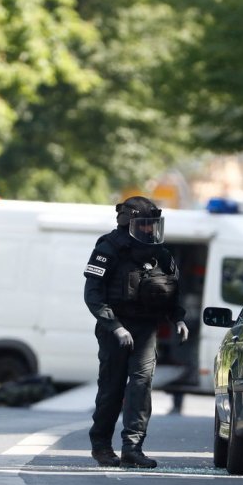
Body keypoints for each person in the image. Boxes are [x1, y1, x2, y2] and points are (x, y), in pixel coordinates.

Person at [83, 196, 188, 468]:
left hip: (145, 329)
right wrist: (114, 326)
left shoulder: (159, 252)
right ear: (129, 222)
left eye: (152, 224)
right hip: (114, 327)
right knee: (112, 389)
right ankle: (102, 447)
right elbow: (93, 295)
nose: (149, 230)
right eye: (144, 225)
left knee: (141, 386)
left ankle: (133, 448)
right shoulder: (108, 248)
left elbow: (172, 288)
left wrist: (178, 319)